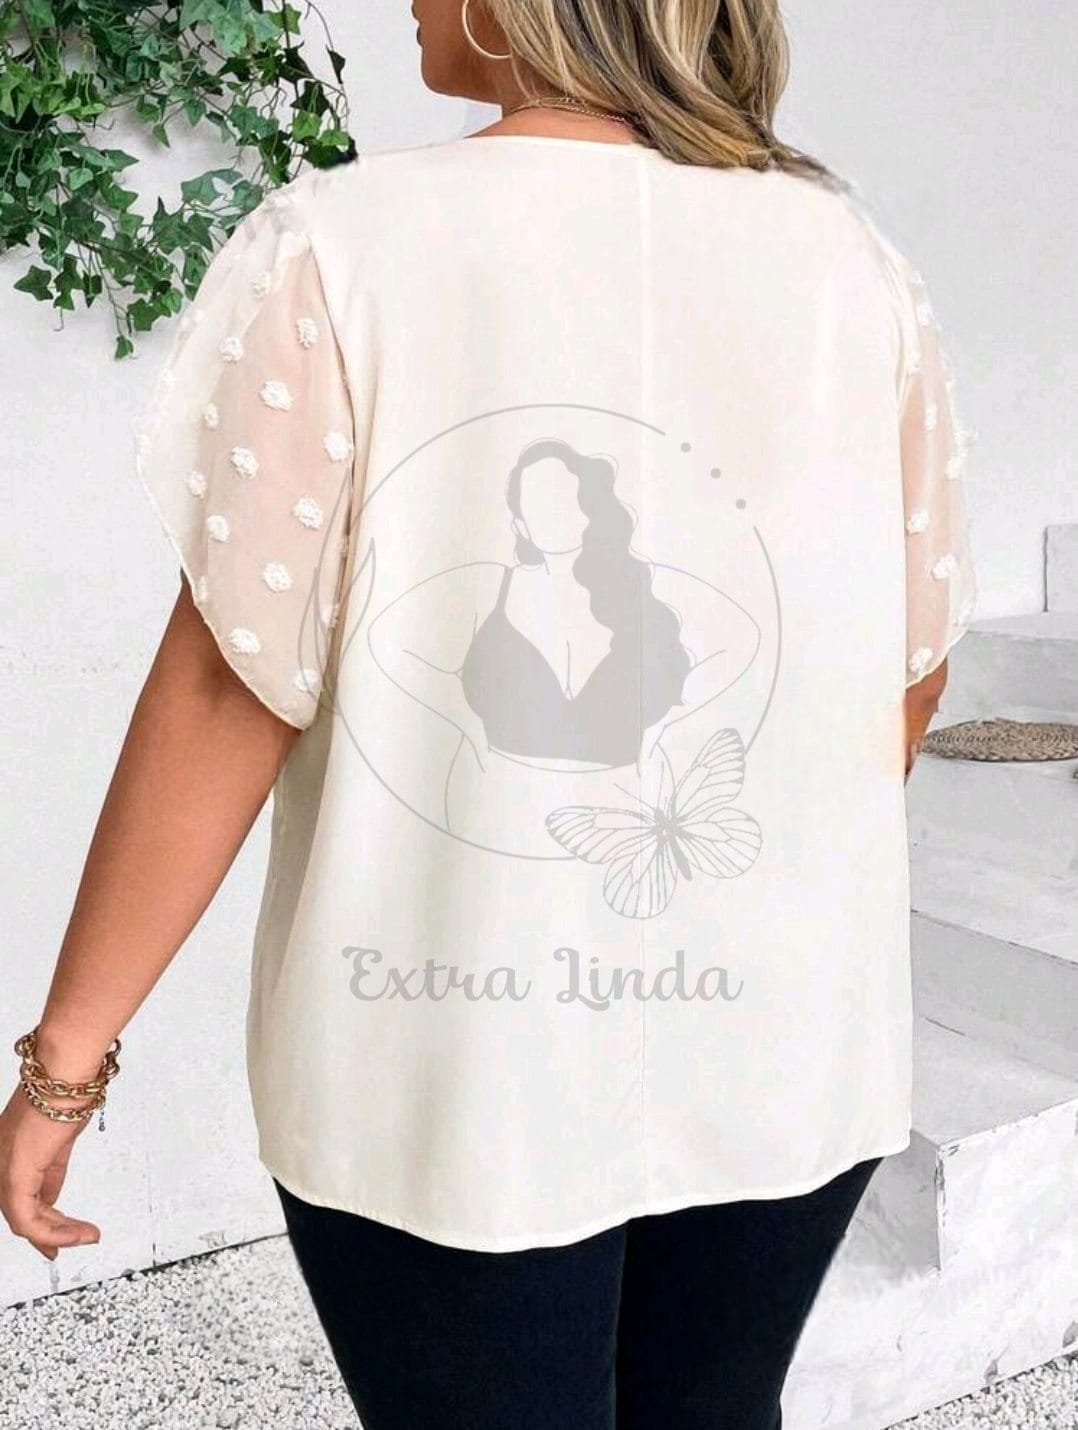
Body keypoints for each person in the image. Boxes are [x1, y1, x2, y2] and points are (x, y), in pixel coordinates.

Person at [0, 0, 977, 1425]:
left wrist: (62, 1068)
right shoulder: (850, 263)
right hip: (782, 1043)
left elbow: (229, 686)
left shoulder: (344, 247)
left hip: (450, 1064)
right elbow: (908, 674)